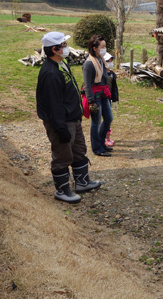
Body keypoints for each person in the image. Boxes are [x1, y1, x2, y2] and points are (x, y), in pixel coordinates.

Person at [36, 31, 101, 203]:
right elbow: (53, 105)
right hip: (62, 122)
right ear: (55, 49)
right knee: (62, 154)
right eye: (64, 45)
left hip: (73, 118)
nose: (67, 48)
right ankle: (62, 190)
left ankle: (82, 182)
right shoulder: (50, 73)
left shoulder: (61, 64)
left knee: (79, 150)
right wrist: (60, 128)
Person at [82, 35, 113, 157]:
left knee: (108, 118)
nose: (105, 49)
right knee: (96, 122)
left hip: (103, 94)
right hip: (95, 97)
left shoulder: (100, 58)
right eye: (102, 46)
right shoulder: (89, 64)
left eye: (105, 46)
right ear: (95, 48)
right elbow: (87, 84)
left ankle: (101, 143)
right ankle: (97, 148)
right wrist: (91, 101)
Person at [103, 52, 119, 148]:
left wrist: (115, 100)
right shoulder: (100, 73)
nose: (110, 63)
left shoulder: (112, 74)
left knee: (108, 119)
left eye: (111, 61)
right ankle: (102, 136)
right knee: (105, 119)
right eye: (108, 61)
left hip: (108, 99)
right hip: (101, 98)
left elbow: (114, 88)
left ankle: (107, 137)